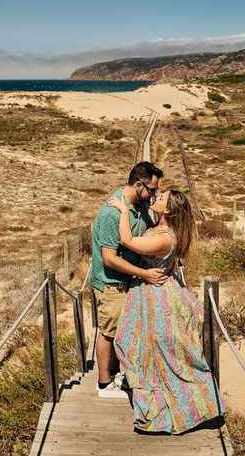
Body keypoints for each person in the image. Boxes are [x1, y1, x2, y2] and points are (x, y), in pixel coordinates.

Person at [109, 189, 224, 434]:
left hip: (157, 296)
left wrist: (122, 212)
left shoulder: (165, 237)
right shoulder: (160, 227)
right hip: (147, 292)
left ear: (169, 210)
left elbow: (128, 241)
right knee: (137, 345)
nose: (157, 197)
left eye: (161, 198)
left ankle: (177, 406)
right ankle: (152, 401)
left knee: (153, 349)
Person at [91, 161, 167, 397]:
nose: (154, 194)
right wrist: (144, 273)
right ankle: (104, 383)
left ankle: (119, 375)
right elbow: (109, 259)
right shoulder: (111, 213)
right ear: (137, 184)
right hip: (112, 282)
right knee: (109, 331)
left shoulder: (140, 206)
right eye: (152, 190)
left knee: (124, 331)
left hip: (130, 280)